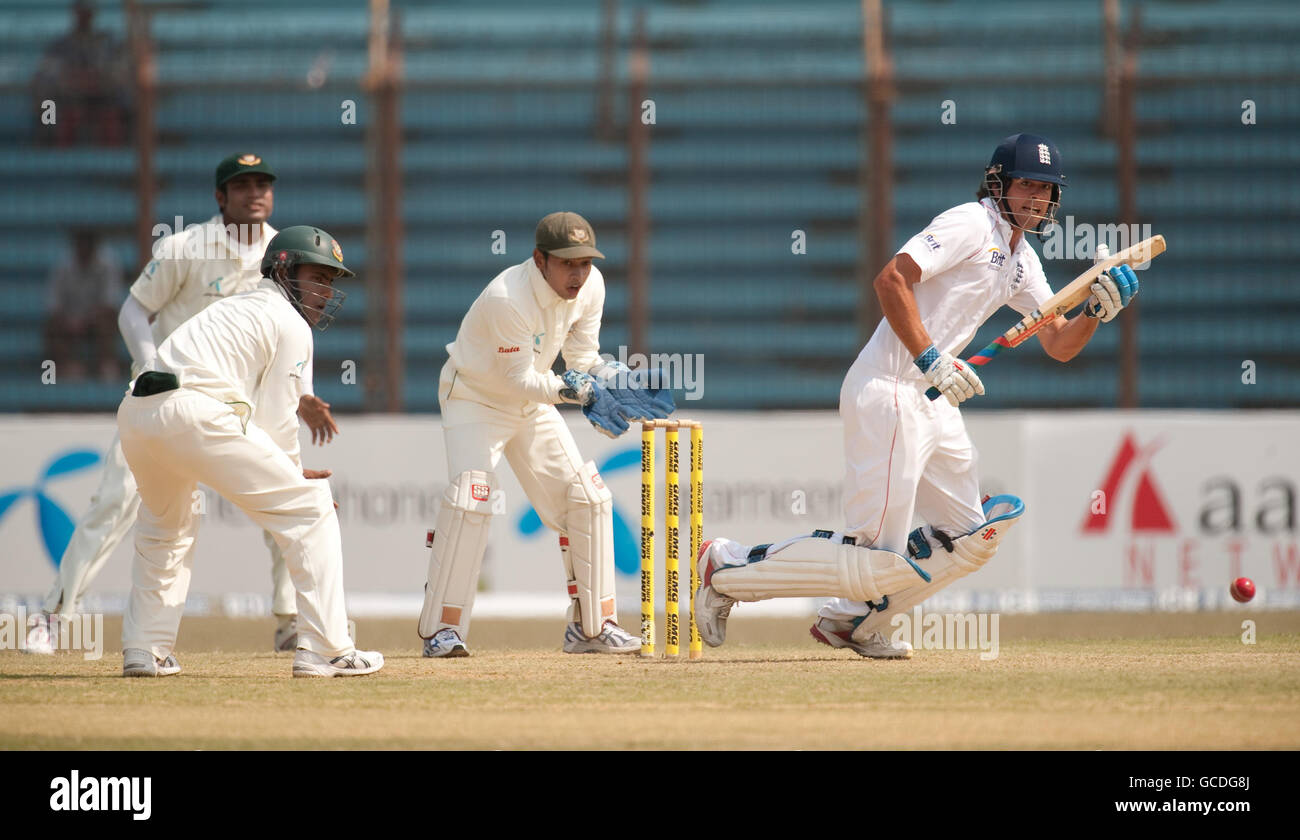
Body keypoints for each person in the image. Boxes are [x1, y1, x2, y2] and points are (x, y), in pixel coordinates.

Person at [694, 133, 1140, 659]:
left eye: (1046, 190)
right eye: (1026, 185)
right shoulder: (969, 224)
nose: (1036, 199)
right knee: (872, 560)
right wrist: (930, 357)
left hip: (934, 398)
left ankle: (850, 622)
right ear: (997, 184)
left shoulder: (1023, 261)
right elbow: (890, 281)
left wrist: (1095, 311)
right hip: (890, 388)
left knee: (971, 537)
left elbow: (1058, 343)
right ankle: (727, 566)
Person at [26, 153, 338, 655]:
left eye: (263, 184)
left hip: (239, 406)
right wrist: (150, 364)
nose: (255, 193)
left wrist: (301, 398)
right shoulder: (184, 247)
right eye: (242, 185)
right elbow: (133, 310)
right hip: (167, 399)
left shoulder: (284, 253)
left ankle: (289, 622)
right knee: (113, 504)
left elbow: (290, 343)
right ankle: (54, 617)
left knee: (287, 487)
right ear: (221, 197)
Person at [117, 225, 381, 678]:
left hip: (137, 412)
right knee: (311, 509)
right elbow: (277, 419)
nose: (324, 291)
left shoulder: (236, 307)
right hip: (195, 411)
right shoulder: (289, 323)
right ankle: (326, 649)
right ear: (283, 270)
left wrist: (286, 474)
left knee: (166, 528)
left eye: (331, 282)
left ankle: (145, 650)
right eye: (317, 276)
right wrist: (294, 477)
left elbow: (264, 416)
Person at [418, 211, 674, 658]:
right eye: (567, 263)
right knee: (471, 500)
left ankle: (591, 628)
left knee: (588, 499)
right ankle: (443, 631)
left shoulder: (592, 286)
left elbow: (581, 355)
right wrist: (578, 392)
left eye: (585, 263)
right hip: (476, 398)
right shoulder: (507, 298)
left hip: (535, 399)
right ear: (540, 259)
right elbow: (517, 379)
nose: (578, 274)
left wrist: (613, 377)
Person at [30, 0, 130, 146]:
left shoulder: (107, 43)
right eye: (81, 12)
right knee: (53, 111)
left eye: (87, 12)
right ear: (75, 13)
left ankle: (113, 163)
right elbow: (47, 77)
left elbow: (118, 75)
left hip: (104, 100)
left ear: (93, 15)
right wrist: (73, 82)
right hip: (68, 100)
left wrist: (95, 81)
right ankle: (57, 158)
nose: (84, 16)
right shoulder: (60, 46)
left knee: (111, 117)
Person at [44, 228, 124, 382]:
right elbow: (53, 304)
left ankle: (106, 365)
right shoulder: (63, 266)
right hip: (69, 321)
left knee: (108, 321)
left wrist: (85, 320)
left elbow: (110, 303)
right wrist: (70, 320)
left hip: (95, 320)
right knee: (52, 326)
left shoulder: (108, 264)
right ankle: (67, 366)